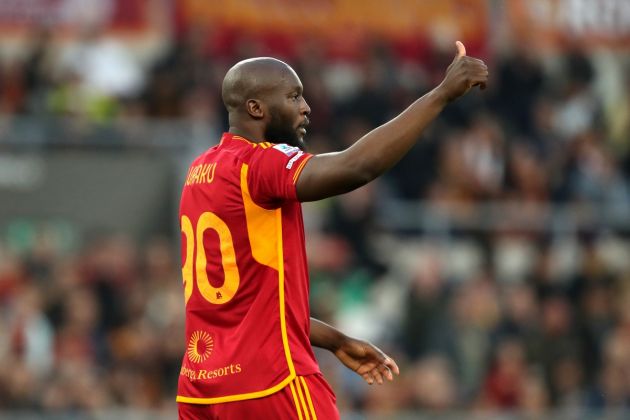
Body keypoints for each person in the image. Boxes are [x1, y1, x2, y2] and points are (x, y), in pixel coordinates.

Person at [177, 41, 488, 419]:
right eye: (293, 97)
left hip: (202, 390)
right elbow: (355, 168)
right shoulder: (259, 164)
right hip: (271, 383)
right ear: (256, 108)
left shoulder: (199, 173)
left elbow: (245, 307)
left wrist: (335, 340)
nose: (305, 107)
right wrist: (440, 95)